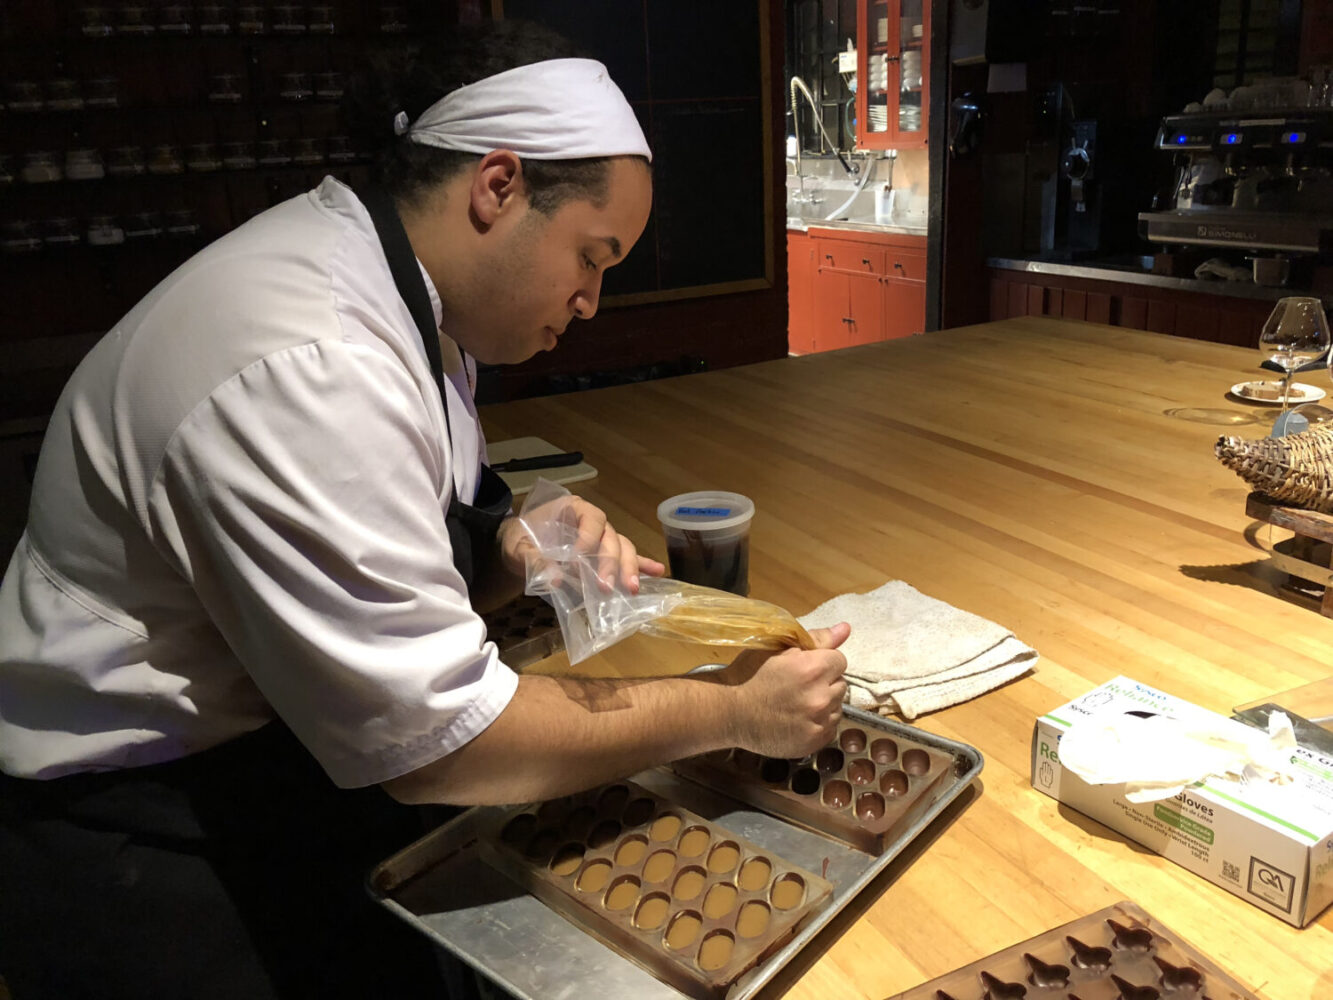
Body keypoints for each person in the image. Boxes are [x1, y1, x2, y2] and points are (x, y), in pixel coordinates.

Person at [0, 20, 850, 1000]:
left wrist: (510, 543)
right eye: (592, 255)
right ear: (498, 186)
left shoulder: (403, 301)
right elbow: (447, 740)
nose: (590, 303)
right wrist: (735, 712)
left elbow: (405, 532)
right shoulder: (308, 362)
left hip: (285, 739)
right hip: (139, 818)